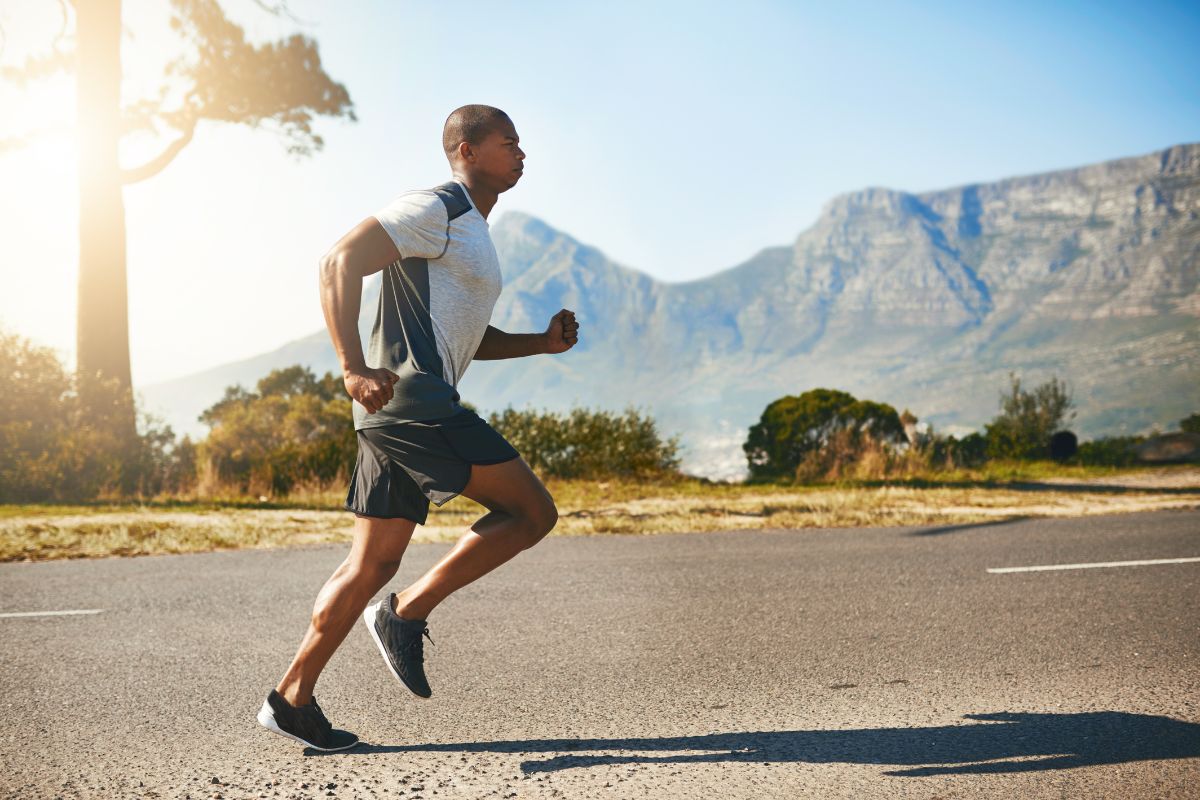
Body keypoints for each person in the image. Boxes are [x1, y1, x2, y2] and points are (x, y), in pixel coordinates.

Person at [256, 104, 580, 751]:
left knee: (369, 563)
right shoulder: (440, 207)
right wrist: (351, 366)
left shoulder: (471, 231)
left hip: (392, 414)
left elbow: (467, 336)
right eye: (508, 142)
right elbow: (338, 262)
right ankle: (405, 614)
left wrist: (539, 344)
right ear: (466, 148)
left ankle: (292, 700)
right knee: (532, 512)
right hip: (417, 404)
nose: (522, 153)